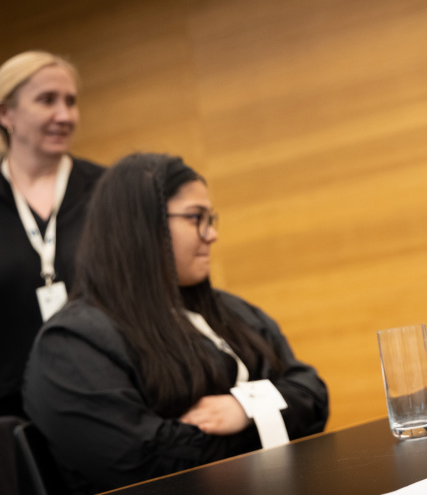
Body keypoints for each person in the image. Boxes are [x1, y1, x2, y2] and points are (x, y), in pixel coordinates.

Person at [23, 153, 329, 494]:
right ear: (141, 226)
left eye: (211, 218)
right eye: (195, 218)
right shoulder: (73, 344)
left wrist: (244, 409)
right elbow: (152, 465)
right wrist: (275, 422)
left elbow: (312, 392)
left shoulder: (229, 311)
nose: (211, 234)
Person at [0, 51, 104, 418]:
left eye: (71, 102)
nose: (64, 115)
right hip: (13, 412)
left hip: (107, 398)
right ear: (5, 113)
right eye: (47, 100)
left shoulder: (108, 190)